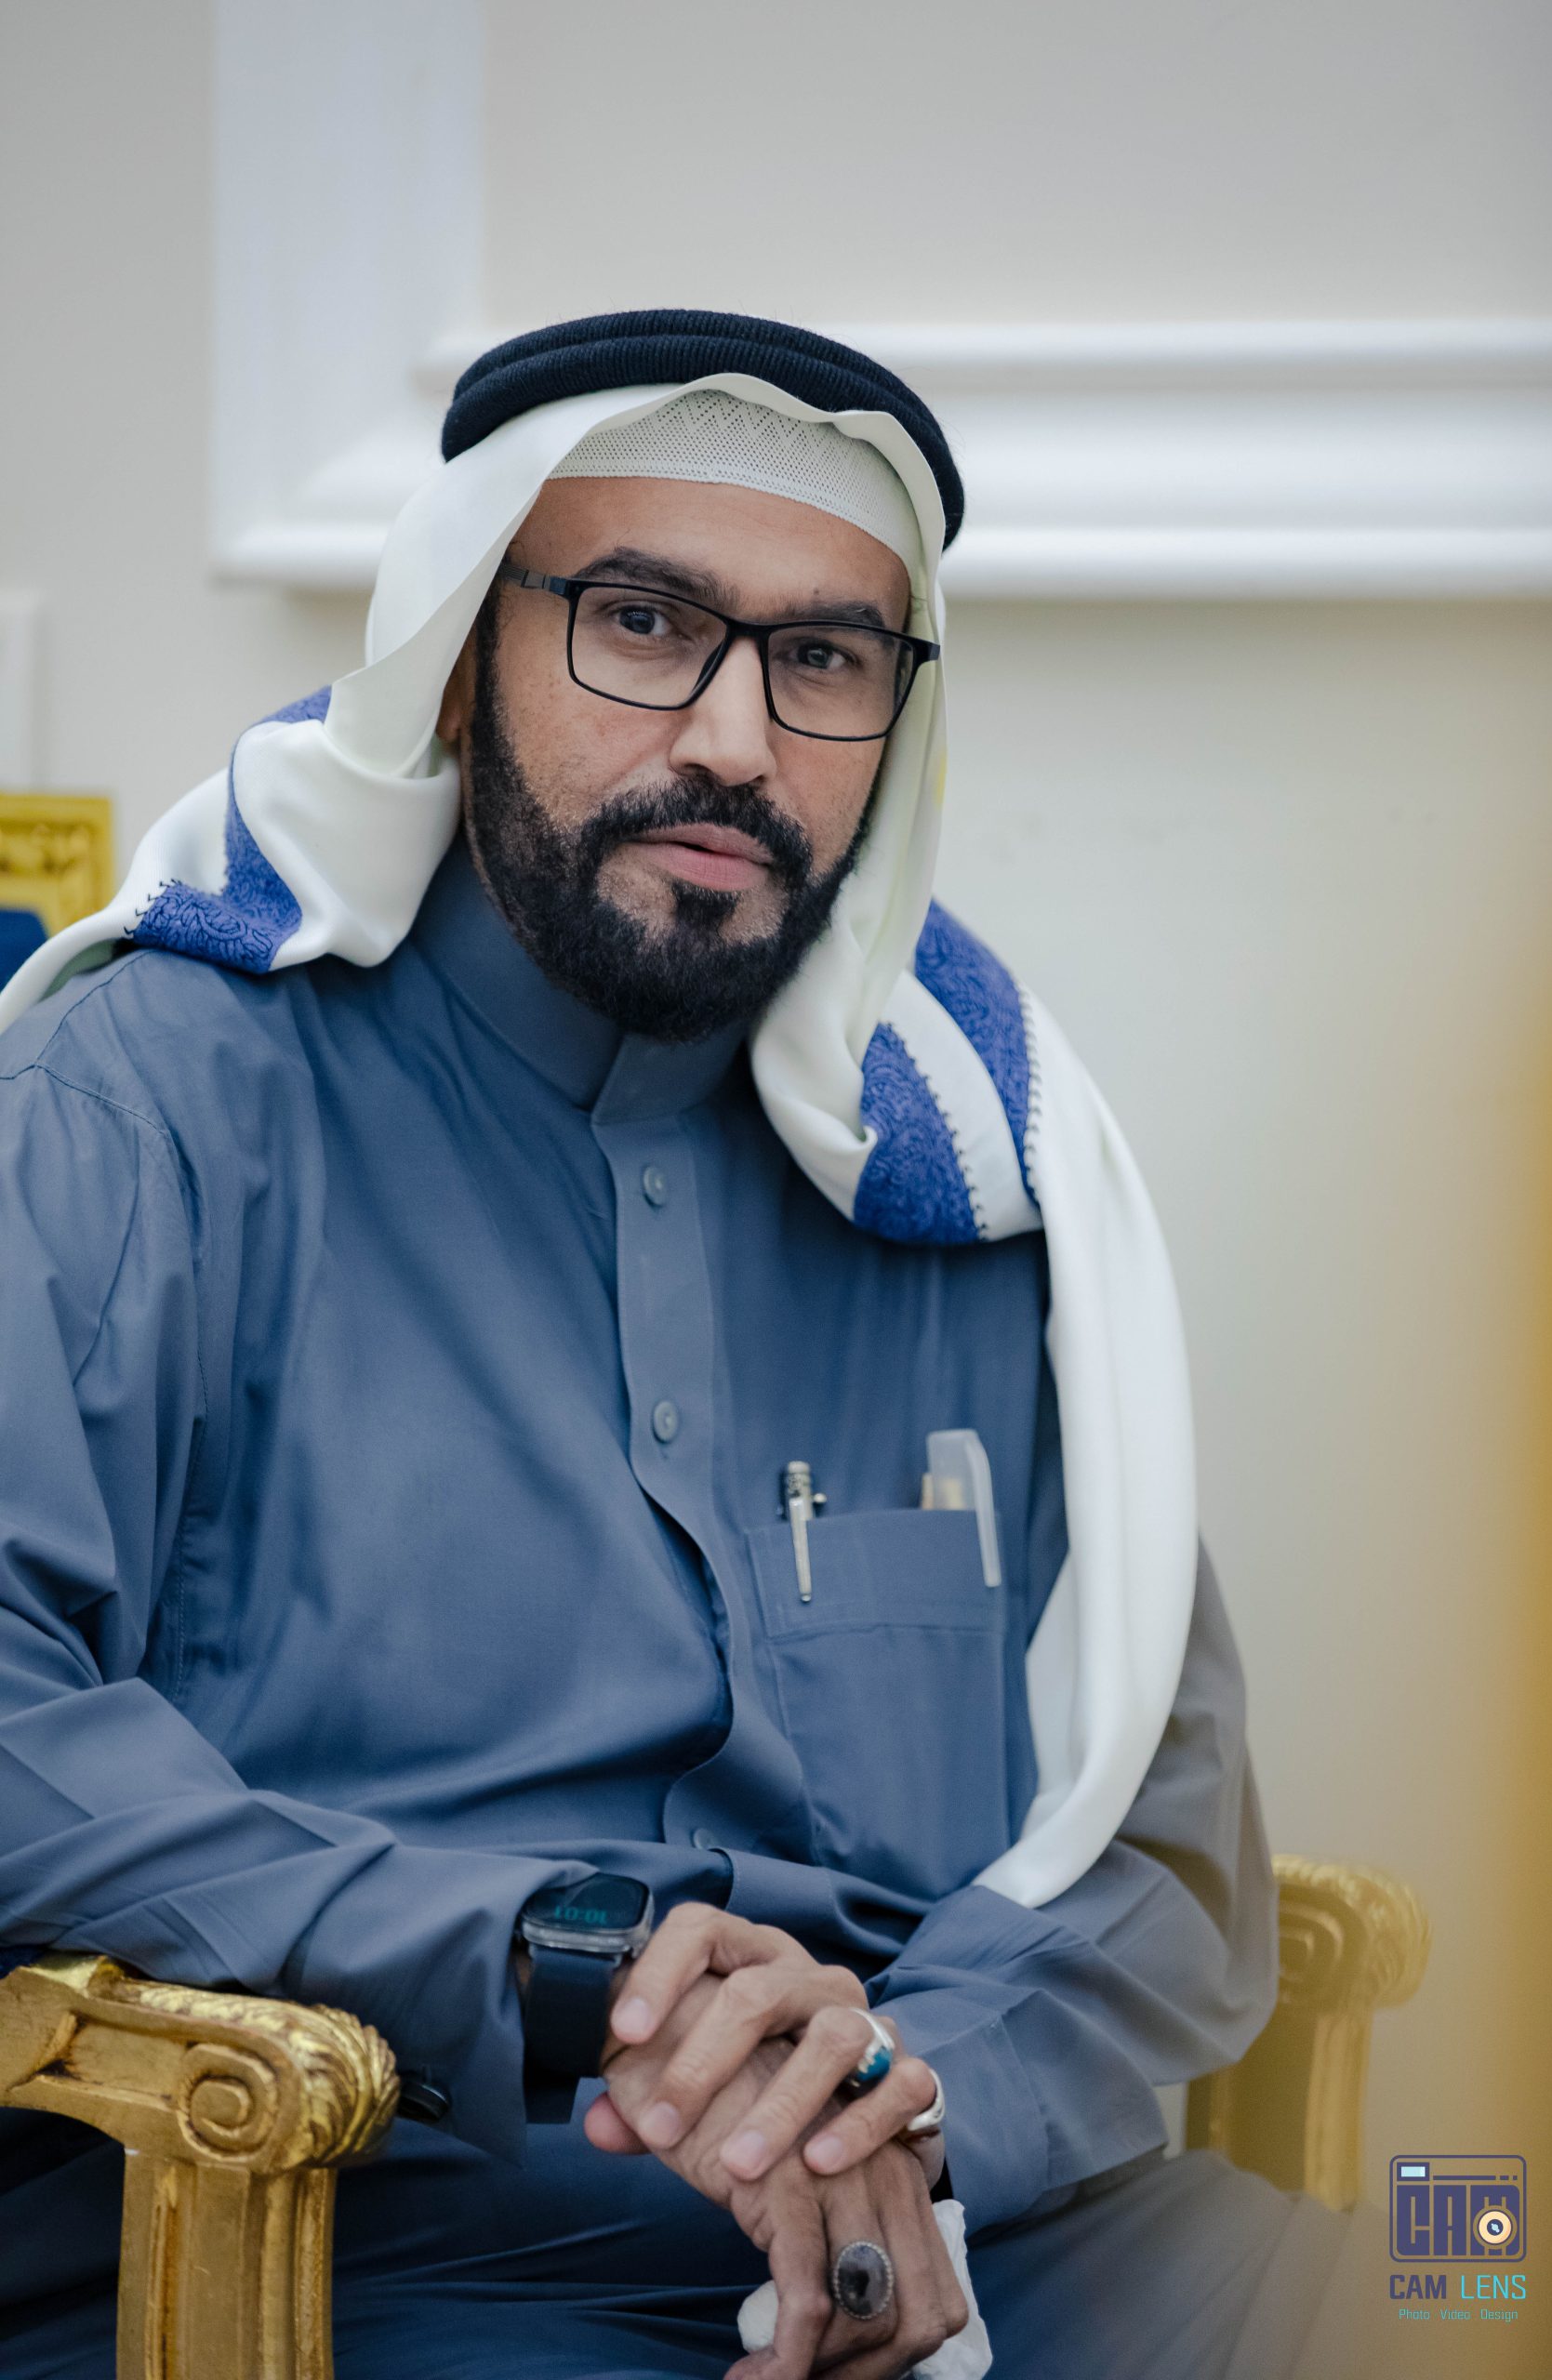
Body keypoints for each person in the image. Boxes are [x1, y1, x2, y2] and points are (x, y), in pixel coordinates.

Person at [0, 311, 1384, 2379]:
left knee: (1494, 2260)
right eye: (641, 622)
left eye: (822, 658)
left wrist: (910, 2112)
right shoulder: (149, 1106)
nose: (737, 737)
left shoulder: (971, 1181)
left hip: (983, 2244)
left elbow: (1164, 1843)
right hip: (387, 2273)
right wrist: (549, 1966)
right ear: (459, 654)